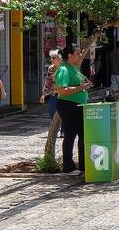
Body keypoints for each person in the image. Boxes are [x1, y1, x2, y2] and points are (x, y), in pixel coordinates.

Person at [54, 44, 91, 172]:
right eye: (77, 53)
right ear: (70, 56)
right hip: (68, 105)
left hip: (78, 105)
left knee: (82, 135)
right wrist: (82, 88)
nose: (80, 55)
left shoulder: (73, 67)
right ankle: (68, 166)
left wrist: (85, 83)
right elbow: (62, 90)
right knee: (70, 135)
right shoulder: (63, 69)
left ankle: (83, 165)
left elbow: (79, 82)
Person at [39, 48, 63, 162]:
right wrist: (44, 94)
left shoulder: (64, 68)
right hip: (53, 94)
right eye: (51, 58)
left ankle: (63, 129)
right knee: (52, 110)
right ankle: (56, 128)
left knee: (63, 113)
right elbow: (47, 81)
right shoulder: (51, 69)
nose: (52, 60)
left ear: (60, 59)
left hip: (63, 94)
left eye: (54, 58)